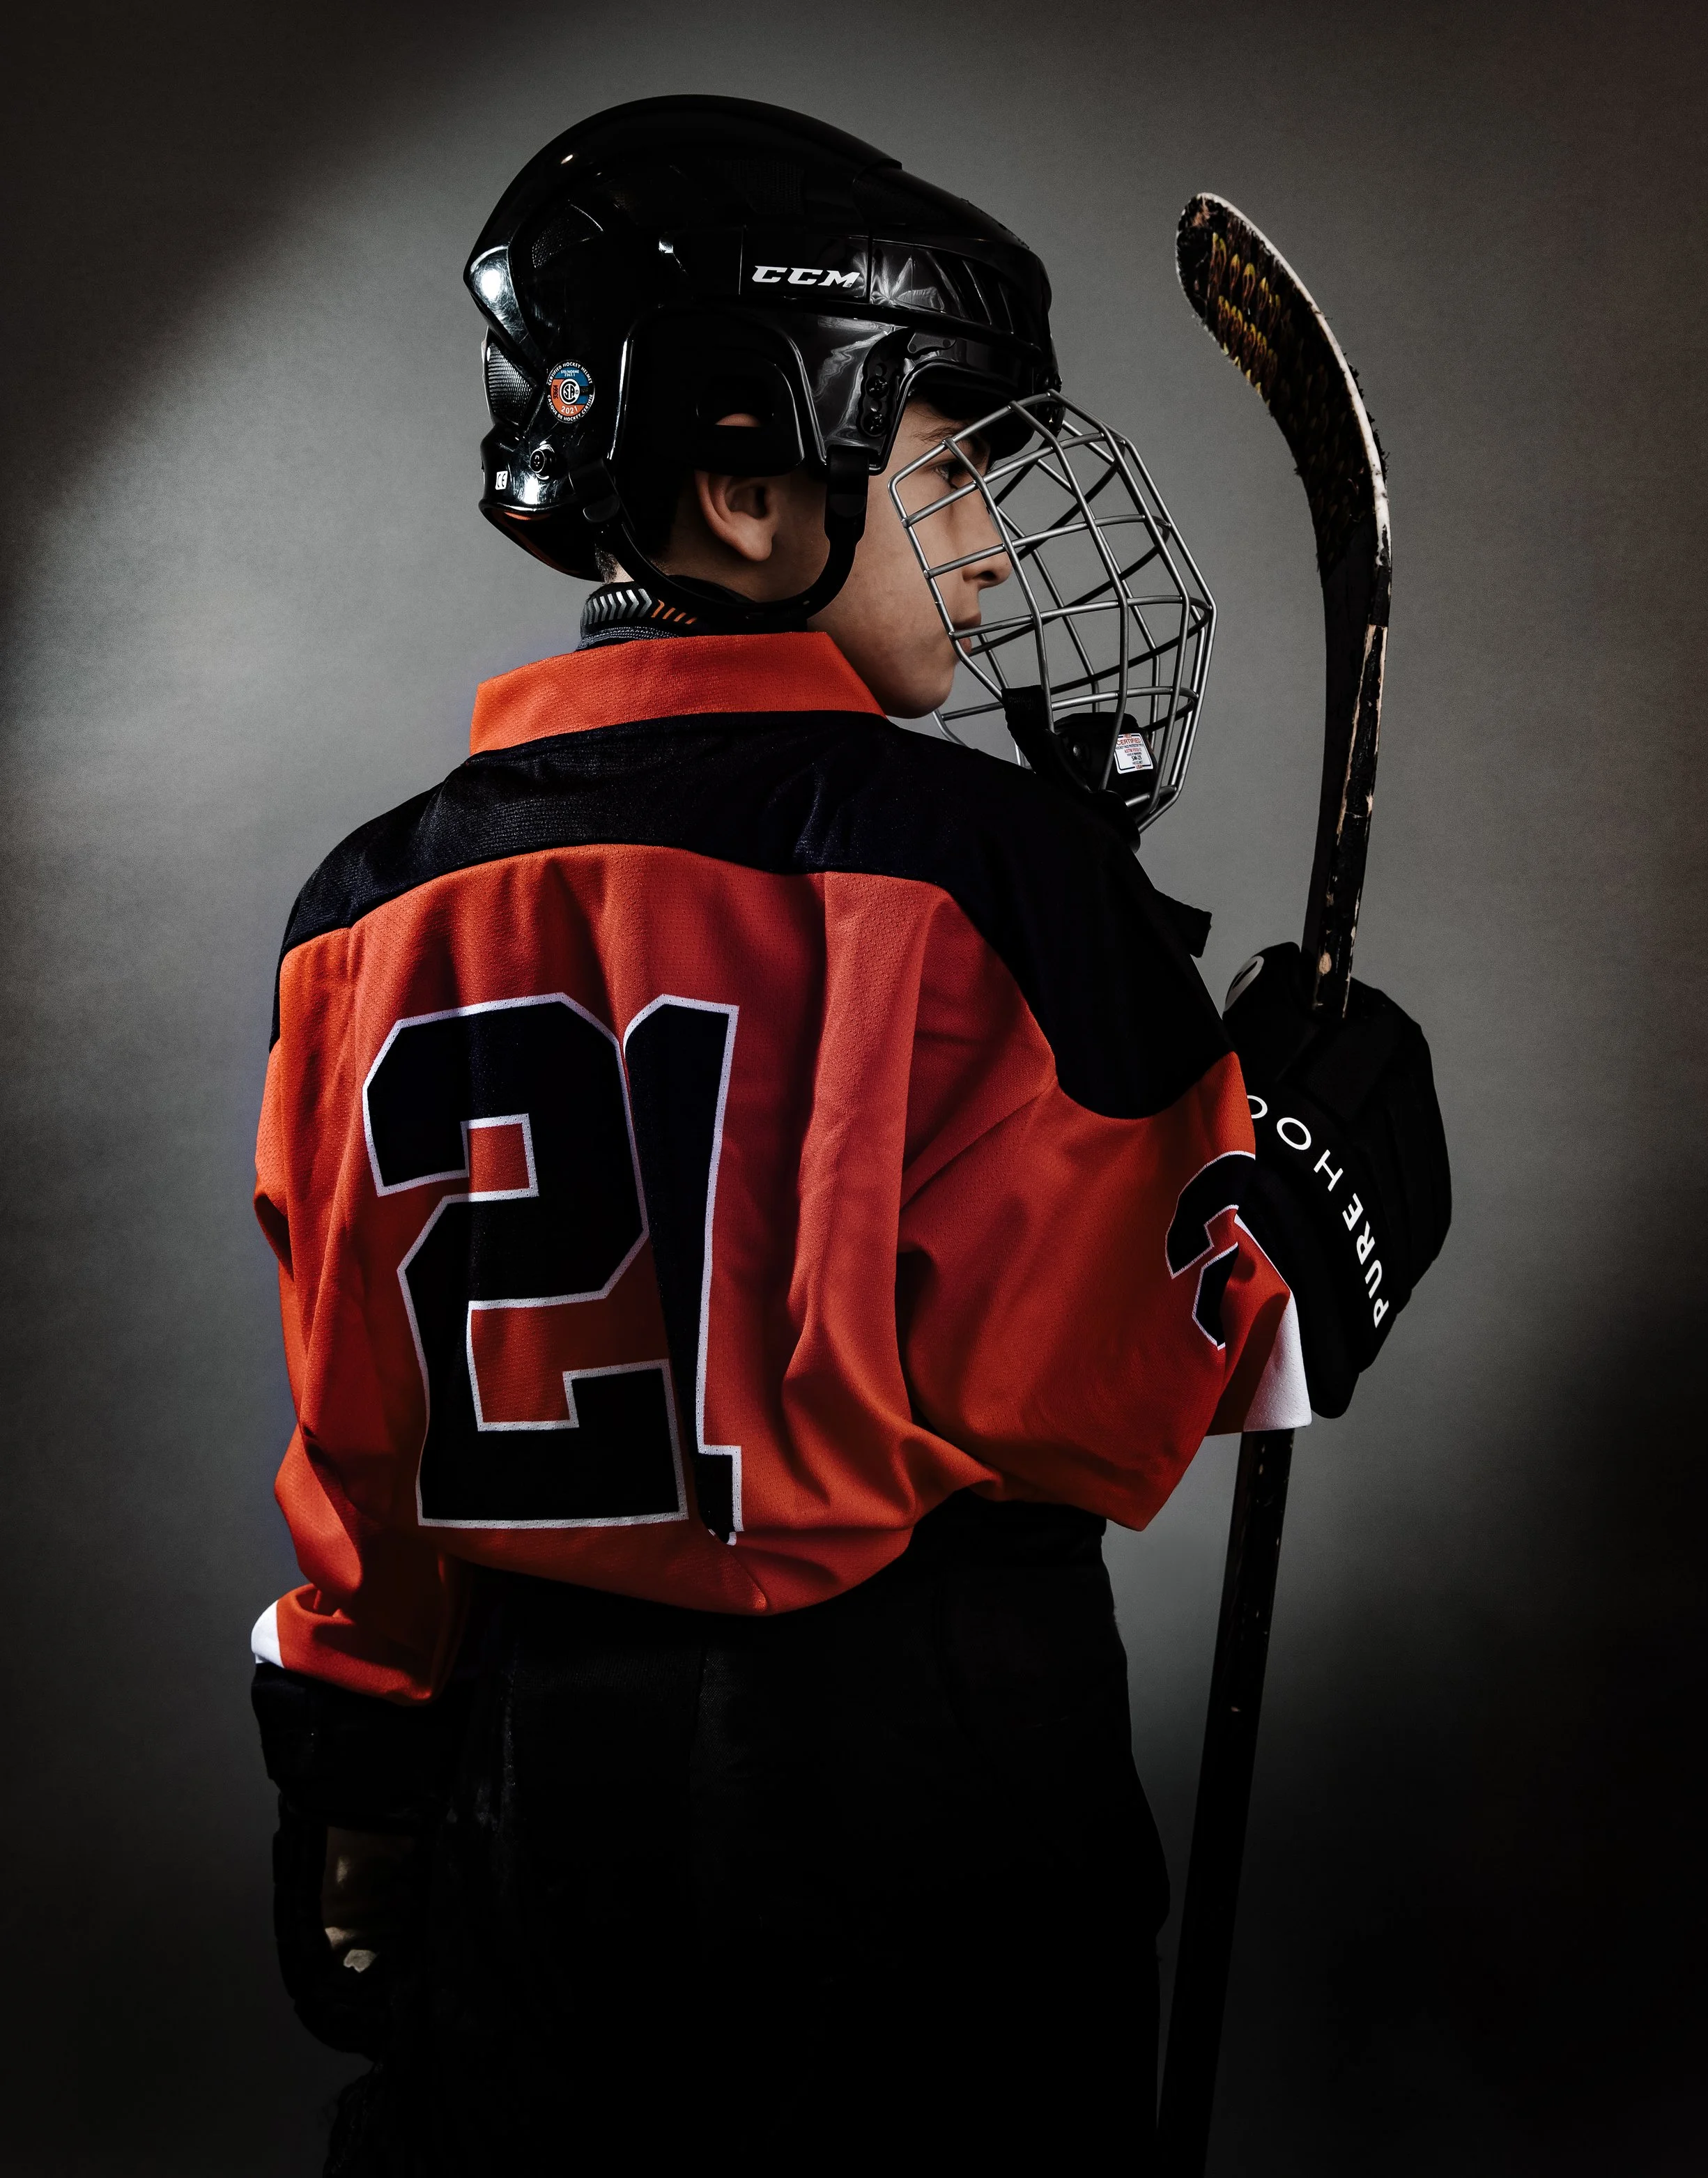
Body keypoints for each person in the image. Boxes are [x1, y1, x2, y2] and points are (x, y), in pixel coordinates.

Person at [249, 97, 1449, 2172]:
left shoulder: (365, 911)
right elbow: (1107, 1383)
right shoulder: (980, 871)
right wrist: (1314, 1192)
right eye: (947, 468)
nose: (988, 541)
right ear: (740, 482)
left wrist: (355, 1772)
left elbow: (366, 1426)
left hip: (524, 1806)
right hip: (919, 1802)